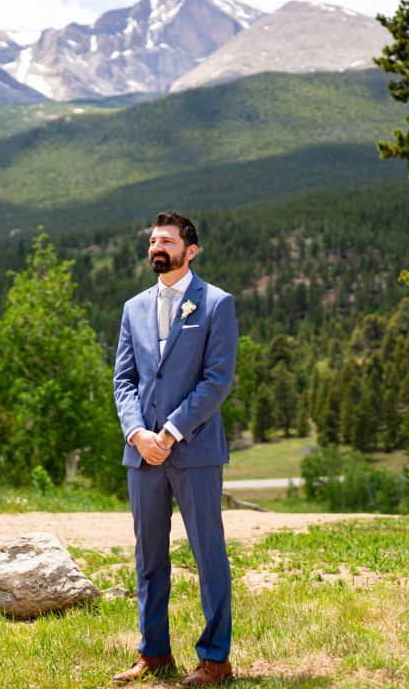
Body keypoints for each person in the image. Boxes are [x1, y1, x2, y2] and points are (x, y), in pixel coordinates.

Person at [112, 211, 238, 686]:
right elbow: (124, 380)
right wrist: (138, 434)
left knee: (208, 554)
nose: (156, 247)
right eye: (151, 240)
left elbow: (217, 379)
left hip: (195, 450)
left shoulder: (216, 303)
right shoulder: (133, 307)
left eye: (166, 240)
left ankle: (216, 659)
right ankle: (154, 652)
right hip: (141, 454)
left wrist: (170, 432)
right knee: (149, 556)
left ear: (191, 250)